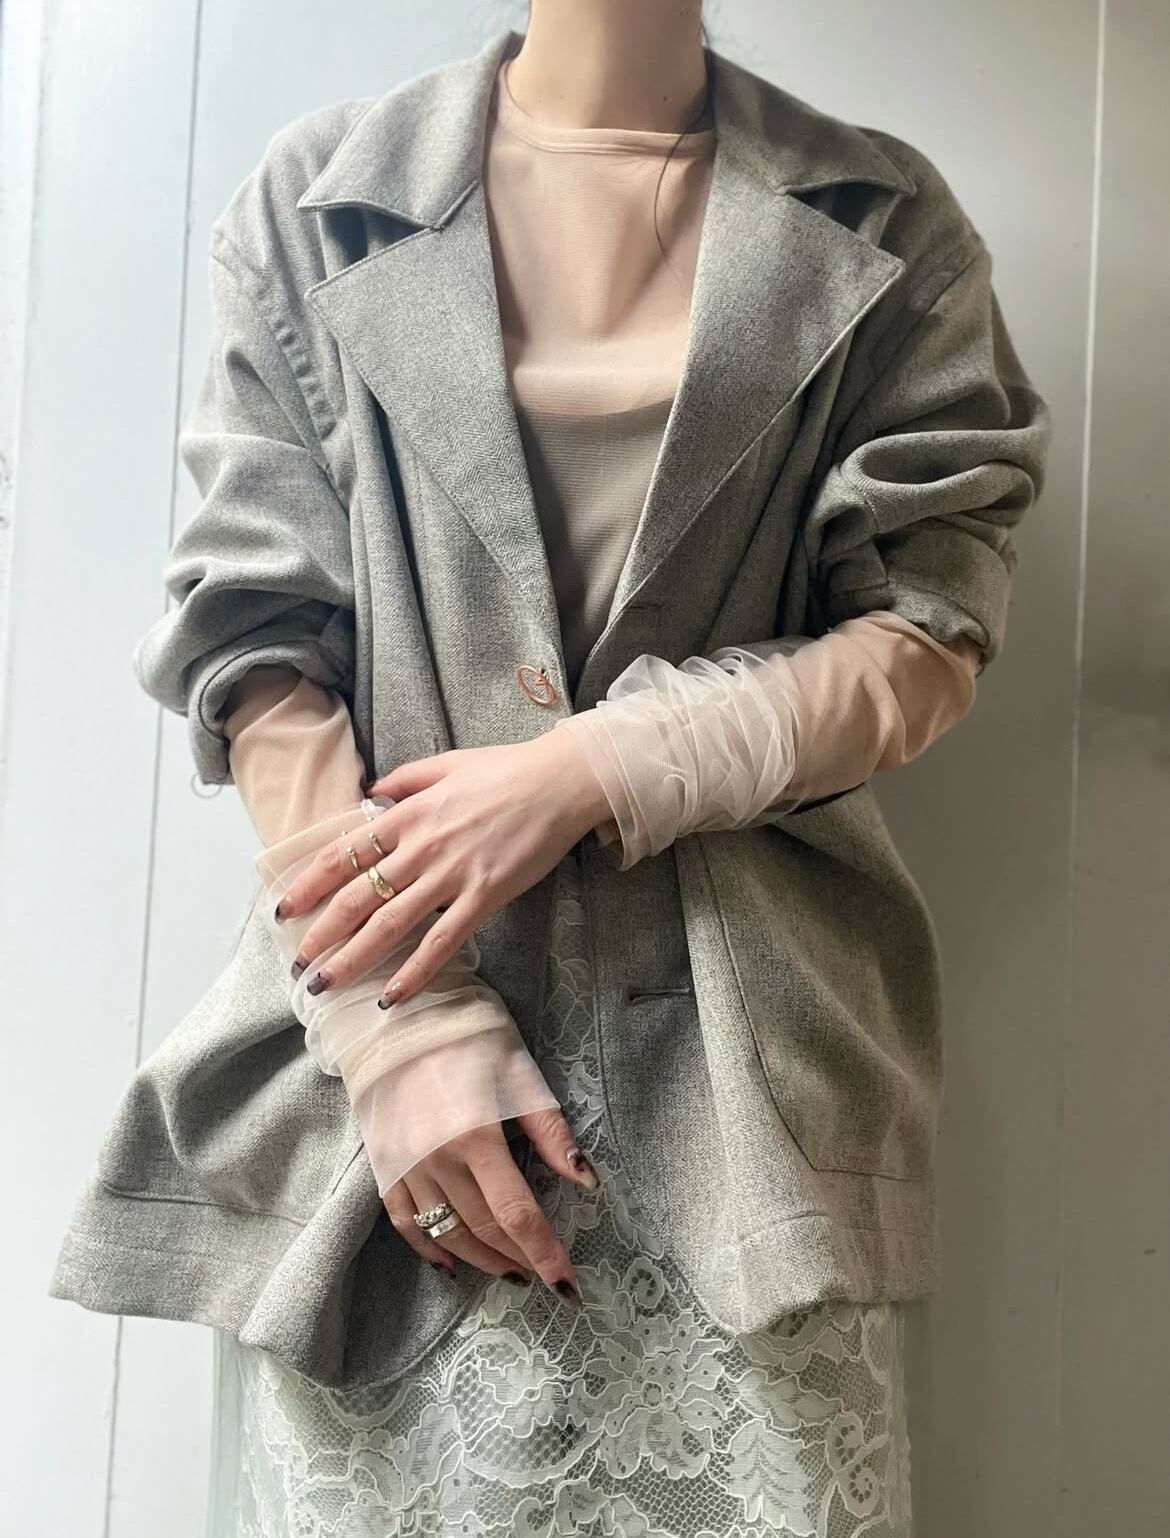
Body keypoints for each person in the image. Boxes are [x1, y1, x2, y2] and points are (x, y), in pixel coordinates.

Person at [49, 7, 1052, 1535]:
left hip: (746, 1101)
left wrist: (598, 764)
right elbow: (255, 650)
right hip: (384, 1097)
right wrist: (397, 1024)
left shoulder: (885, 218)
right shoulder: (318, 200)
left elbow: (925, 635)